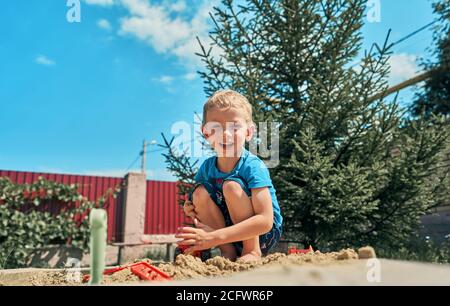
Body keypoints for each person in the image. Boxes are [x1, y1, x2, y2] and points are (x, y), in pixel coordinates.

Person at [175, 89, 283, 262]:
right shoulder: (207, 168)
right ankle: (228, 252)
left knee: (231, 186)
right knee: (199, 192)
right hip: (230, 232)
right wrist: (190, 207)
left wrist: (215, 237)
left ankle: (252, 251)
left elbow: (265, 220)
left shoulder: (253, 166)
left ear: (248, 132)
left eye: (234, 127)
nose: (225, 134)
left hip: (262, 234)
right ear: (206, 133)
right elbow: (199, 202)